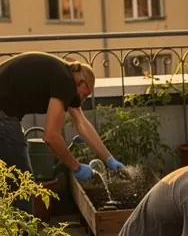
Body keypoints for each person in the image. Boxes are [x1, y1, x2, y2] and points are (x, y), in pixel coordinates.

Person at [0, 51, 124, 180]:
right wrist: (76, 167)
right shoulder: (65, 81)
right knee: (22, 185)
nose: (82, 100)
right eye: (84, 95)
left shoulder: (61, 75)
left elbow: (82, 124)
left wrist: (109, 159)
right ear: (80, 82)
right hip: (3, 115)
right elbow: (51, 136)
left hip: (6, 113)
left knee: (9, 181)